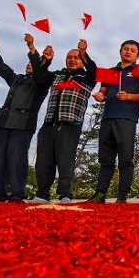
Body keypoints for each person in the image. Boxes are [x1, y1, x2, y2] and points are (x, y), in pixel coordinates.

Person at [0, 32, 53, 202]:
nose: (30, 65)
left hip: (23, 124)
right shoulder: (17, 79)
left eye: (33, 64)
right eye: (28, 63)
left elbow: (40, 72)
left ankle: (17, 193)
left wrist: (32, 48)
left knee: (17, 159)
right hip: (4, 120)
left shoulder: (43, 82)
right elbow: (2, 67)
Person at [32, 39, 96, 204]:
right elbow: (39, 77)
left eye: (76, 57)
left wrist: (83, 52)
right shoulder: (57, 75)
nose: (72, 59)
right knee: (43, 161)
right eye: (69, 57)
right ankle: (42, 193)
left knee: (65, 160)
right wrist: (46, 61)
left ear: (82, 61)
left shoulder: (87, 78)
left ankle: (65, 194)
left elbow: (94, 71)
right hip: (49, 124)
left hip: (70, 125)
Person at [90, 40, 139, 203]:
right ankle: (100, 193)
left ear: (137, 55)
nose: (128, 52)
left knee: (125, 159)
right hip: (107, 118)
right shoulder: (110, 71)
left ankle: (122, 195)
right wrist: (100, 96)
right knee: (105, 159)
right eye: (126, 49)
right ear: (120, 51)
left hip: (127, 119)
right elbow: (102, 93)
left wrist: (129, 96)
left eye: (133, 50)